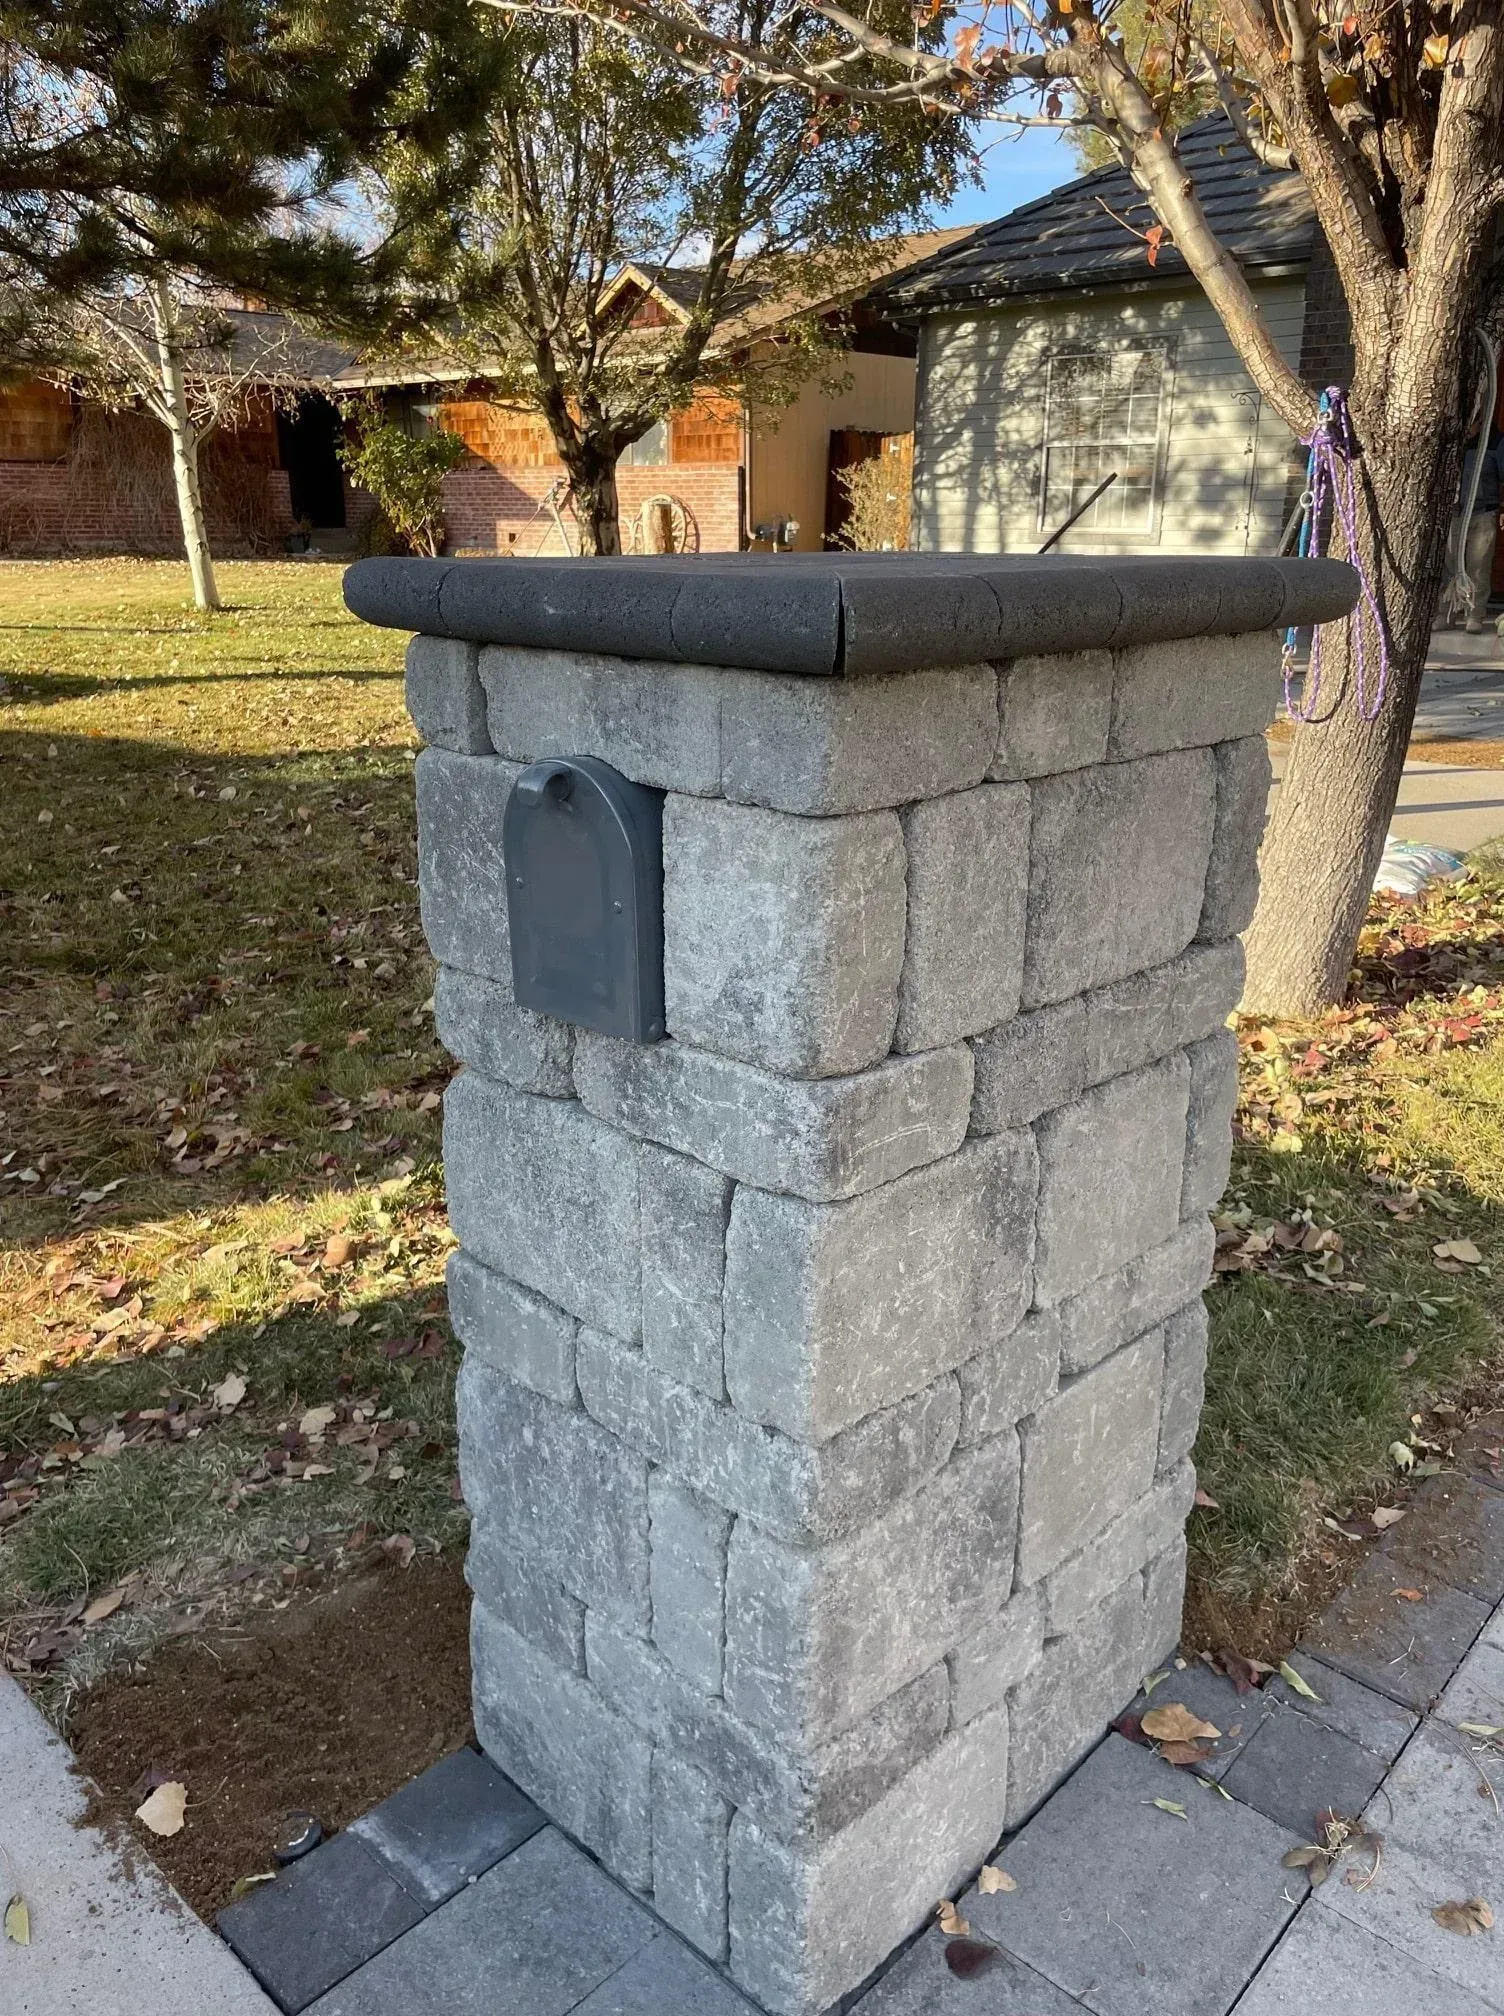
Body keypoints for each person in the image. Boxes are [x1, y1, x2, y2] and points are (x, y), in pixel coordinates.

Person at [1448, 426, 1504, 633]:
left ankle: (1474, 614)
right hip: (1454, 512)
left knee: (1478, 566)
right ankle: (1446, 614)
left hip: (1483, 513)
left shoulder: (1496, 442)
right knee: (1448, 566)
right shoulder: (1453, 437)